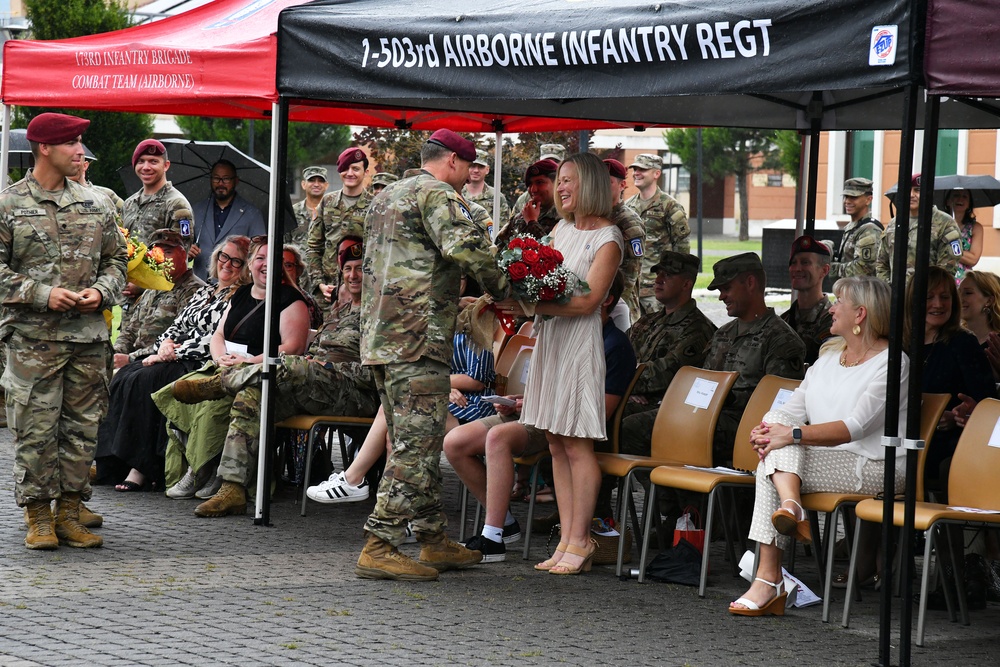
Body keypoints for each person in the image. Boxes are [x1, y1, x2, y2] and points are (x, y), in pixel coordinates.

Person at [357, 128, 511, 581]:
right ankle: (380, 543)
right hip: (418, 340)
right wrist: (506, 288)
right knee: (417, 445)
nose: (466, 179)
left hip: (382, 339)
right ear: (453, 163)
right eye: (466, 170)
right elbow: (464, 248)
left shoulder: (387, 196)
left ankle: (432, 538)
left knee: (413, 438)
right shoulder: (439, 194)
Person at [730, 276, 906, 616]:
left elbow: (855, 427)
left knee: (773, 457)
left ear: (860, 315)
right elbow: (791, 409)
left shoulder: (893, 363)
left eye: (839, 301)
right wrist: (770, 427)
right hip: (825, 460)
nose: (831, 307)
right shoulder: (827, 358)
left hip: (876, 466)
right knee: (775, 444)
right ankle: (790, 508)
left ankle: (769, 577)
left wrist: (789, 434)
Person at [172, 239, 377, 515]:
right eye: (348, 269)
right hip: (315, 386)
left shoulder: (380, 312)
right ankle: (233, 487)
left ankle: (218, 385)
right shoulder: (340, 308)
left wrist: (323, 368)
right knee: (253, 396)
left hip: (356, 393)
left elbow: (377, 373)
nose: (353, 276)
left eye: (360, 269)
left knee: (288, 365)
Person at [0, 112, 128, 550]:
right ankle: (38, 517)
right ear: (44, 149)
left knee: (82, 429)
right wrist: (40, 293)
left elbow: (117, 261)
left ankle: (70, 514)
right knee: (35, 429)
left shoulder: (97, 203)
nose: (81, 152)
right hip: (33, 341)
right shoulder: (9, 204)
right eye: (72, 143)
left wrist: (102, 291)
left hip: (88, 339)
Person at [448, 271, 636, 562]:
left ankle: (493, 536)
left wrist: (533, 403)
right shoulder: (565, 332)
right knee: (455, 443)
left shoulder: (615, 344)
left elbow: (602, 410)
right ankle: (507, 523)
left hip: (567, 423)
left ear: (606, 299)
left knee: (498, 437)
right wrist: (518, 401)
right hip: (536, 412)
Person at [497, 152, 624, 576]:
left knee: (576, 442)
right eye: (560, 181)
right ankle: (567, 539)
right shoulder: (560, 229)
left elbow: (590, 300)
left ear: (587, 184)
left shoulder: (608, 238)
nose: (561, 188)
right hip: (550, 341)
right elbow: (544, 286)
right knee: (554, 440)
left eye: (568, 180)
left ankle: (582, 539)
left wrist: (535, 303)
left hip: (578, 344)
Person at [152, 237, 311, 510]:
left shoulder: (291, 300)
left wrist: (249, 360)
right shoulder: (240, 294)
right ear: (250, 263)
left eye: (271, 259)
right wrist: (219, 357)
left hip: (261, 373)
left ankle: (208, 471)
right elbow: (219, 334)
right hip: (226, 365)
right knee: (178, 392)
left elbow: (293, 347)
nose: (264, 264)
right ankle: (197, 465)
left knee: (215, 405)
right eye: (259, 258)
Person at [95, 236, 250, 493]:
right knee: (123, 376)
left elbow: (217, 339)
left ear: (244, 267)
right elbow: (176, 327)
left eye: (237, 261)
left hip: (199, 362)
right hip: (171, 355)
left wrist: (174, 354)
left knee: (144, 380)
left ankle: (143, 467)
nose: (228, 264)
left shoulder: (240, 297)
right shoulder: (205, 291)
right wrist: (164, 345)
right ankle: (113, 461)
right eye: (224, 257)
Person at [702, 253, 806, 464]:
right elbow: (704, 383)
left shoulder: (781, 340)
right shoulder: (723, 333)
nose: (721, 297)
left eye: (727, 288)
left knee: (683, 427)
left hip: (748, 427)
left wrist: (724, 398)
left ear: (750, 283)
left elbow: (778, 405)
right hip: (710, 417)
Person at [906, 266, 996, 492]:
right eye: (929, 297)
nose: (938, 304)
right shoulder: (900, 344)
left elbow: (987, 403)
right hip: (899, 440)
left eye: (945, 297)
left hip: (946, 445)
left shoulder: (962, 344)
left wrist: (961, 414)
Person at [618, 252, 717, 447]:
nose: (658, 280)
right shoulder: (648, 321)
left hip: (664, 407)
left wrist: (621, 383)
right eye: (658, 274)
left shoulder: (697, 330)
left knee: (609, 420)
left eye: (668, 276)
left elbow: (665, 373)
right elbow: (615, 356)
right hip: (631, 397)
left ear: (686, 284)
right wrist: (625, 387)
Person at [112, 229, 206, 370]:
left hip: (163, 363)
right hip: (136, 361)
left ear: (183, 254)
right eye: (156, 253)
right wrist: (117, 352)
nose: (161, 258)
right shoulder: (152, 287)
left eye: (168, 252)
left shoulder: (194, 291)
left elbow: (180, 339)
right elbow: (130, 330)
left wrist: (130, 359)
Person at [626, 153, 691, 316]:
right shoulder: (628, 206)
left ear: (656, 174)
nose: (636, 173)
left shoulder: (670, 207)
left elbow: (682, 249)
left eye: (643, 169)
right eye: (635, 169)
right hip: (631, 289)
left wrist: (676, 285)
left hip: (657, 289)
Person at [307, 147, 372, 305]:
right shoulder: (326, 202)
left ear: (366, 172)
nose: (350, 173)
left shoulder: (375, 204)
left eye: (356, 168)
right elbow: (314, 247)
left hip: (363, 292)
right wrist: (320, 283)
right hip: (329, 291)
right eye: (345, 168)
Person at [876, 174, 962, 283]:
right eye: (907, 190)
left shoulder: (945, 223)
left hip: (928, 295)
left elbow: (949, 265)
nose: (911, 195)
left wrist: (930, 290)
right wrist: (888, 288)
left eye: (917, 190)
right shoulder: (894, 223)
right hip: (896, 296)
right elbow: (881, 263)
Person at [189, 160, 265, 281]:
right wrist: (188, 252)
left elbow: (259, 253)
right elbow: (183, 247)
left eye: (226, 179)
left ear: (236, 181)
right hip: (200, 285)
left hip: (235, 285)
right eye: (216, 178)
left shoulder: (252, 214)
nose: (220, 183)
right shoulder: (196, 210)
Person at [122, 139, 194, 246]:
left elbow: (181, 251)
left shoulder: (177, 204)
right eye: (141, 161)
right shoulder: (129, 203)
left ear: (166, 165)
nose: (146, 167)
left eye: (153, 161)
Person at [604, 158, 646, 326]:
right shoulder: (593, 216)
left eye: (608, 182)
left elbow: (628, 278)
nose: (601, 187)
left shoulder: (628, 223)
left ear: (622, 186)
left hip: (618, 310)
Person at [781, 235, 834, 365]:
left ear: (824, 270)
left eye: (805, 262)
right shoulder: (784, 320)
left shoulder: (833, 321)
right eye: (793, 263)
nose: (797, 269)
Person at [494, 159, 560, 248]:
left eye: (540, 182)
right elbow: (498, 247)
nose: (533, 190)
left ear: (557, 183)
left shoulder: (566, 218)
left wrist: (532, 223)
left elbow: (555, 255)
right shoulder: (521, 216)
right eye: (529, 184)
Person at [830, 177, 881, 279]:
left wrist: (828, 268)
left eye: (853, 197)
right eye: (846, 196)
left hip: (862, 292)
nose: (847, 201)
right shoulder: (853, 226)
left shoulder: (869, 230)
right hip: (849, 290)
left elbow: (862, 269)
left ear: (868, 200)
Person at [959, 270, 1000, 380]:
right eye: (958, 292)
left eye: (968, 293)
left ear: (989, 300)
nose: (959, 298)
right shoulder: (955, 340)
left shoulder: (996, 344)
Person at [463, 149, 510, 230]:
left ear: (487, 169)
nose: (476, 170)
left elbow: (504, 229)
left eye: (481, 167)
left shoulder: (497, 197)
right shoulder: (456, 193)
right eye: (472, 166)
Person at [946, 189, 984, 284]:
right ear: (948, 201)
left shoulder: (975, 228)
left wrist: (949, 247)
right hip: (941, 277)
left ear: (969, 203)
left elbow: (973, 259)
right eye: (956, 195)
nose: (960, 199)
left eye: (964, 196)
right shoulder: (937, 224)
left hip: (963, 281)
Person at [287, 165, 329, 247]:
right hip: (298, 259)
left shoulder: (334, 212)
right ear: (303, 184)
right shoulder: (292, 212)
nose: (316, 184)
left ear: (326, 185)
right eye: (311, 180)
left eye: (321, 181)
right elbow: (285, 243)